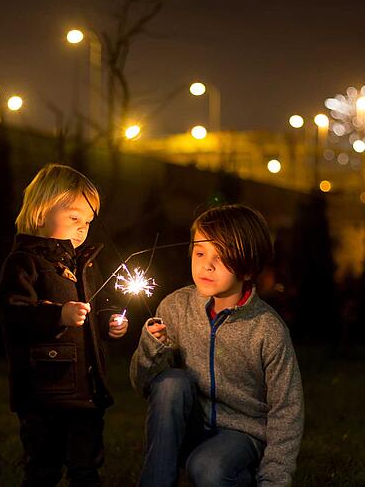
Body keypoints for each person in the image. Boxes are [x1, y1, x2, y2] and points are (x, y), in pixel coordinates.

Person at [130, 204, 304, 487]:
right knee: (172, 382)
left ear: (248, 269)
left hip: (241, 434)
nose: (206, 265)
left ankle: (234, 473)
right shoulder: (174, 308)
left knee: (208, 468)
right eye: (200, 253)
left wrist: (273, 479)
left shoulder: (267, 329)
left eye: (221, 257)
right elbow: (144, 386)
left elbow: (287, 409)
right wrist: (152, 349)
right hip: (187, 427)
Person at [0, 163, 129, 487]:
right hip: (43, 393)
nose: (82, 229)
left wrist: (107, 322)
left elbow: (95, 304)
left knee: (86, 467)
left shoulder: (83, 263)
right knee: (43, 468)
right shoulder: (24, 262)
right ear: (42, 211)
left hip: (86, 393)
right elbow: (15, 314)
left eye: (87, 221)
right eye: (74, 218)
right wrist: (58, 315)